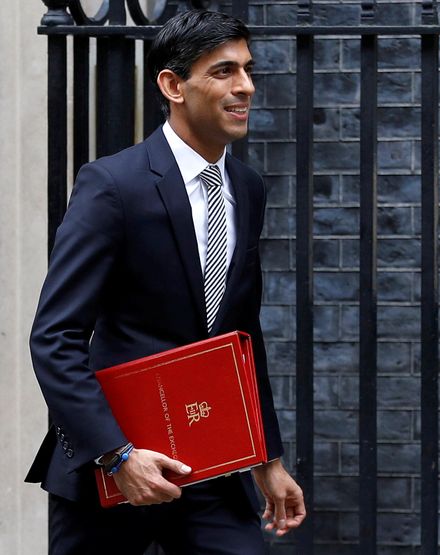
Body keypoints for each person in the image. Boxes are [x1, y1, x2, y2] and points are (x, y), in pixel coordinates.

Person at [26, 10, 305, 554]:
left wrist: (265, 457)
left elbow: (241, 335)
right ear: (173, 85)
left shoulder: (246, 187)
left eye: (248, 70)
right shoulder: (112, 185)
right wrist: (117, 455)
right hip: (110, 471)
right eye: (224, 72)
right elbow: (54, 340)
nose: (245, 86)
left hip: (212, 467)